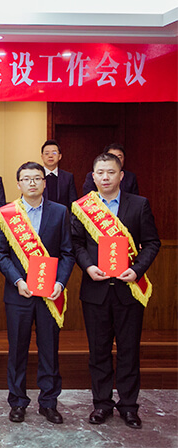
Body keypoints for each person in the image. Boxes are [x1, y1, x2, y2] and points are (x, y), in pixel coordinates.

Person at [71, 153, 160, 429]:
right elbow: (76, 244)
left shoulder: (139, 204)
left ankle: (129, 407)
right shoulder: (83, 207)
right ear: (93, 176)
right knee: (98, 351)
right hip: (95, 291)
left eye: (111, 172)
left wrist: (137, 270)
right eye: (100, 172)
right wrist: (88, 266)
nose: (106, 177)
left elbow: (152, 242)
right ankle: (102, 405)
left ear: (121, 175)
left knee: (128, 351)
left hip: (128, 290)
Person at [0, 162, 75, 424]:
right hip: (19, 294)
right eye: (26, 179)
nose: (32, 183)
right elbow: (0, 254)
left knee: (49, 349)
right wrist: (17, 280)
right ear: (18, 184)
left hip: (50, 294)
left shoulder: (60, 212)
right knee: (17, 350)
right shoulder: (6, 214)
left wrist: (60, 283)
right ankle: (17, 402)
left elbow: (67, 252)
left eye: (37, 178)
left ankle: (49, 402)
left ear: (44, 182)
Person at [40, 140, 77, 208]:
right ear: (42, 157)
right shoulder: (36, 176)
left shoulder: (68, 177)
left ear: (60, 156)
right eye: (47, 153)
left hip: (62, 214)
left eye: (54, 153)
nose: (50, 156)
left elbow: (73, 202)